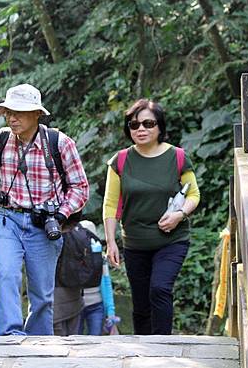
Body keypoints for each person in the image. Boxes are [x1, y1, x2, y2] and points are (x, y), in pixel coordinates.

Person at [0, 83, 89, 335]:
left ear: (37, 114)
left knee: (42, 296)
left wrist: (59, 215)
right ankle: (10, 337)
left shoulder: (60, 143)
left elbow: (80, 187)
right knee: (7, 275)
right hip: (8, 220)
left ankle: (37, 346)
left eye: (19, 112)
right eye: (8, 112)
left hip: (45, 226)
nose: (12, 118)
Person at [102, 99, 200, 335]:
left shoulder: (177, 156)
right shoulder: (121, 161)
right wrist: (111, 241)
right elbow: (111, 204)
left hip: (171, 240)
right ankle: (144, 352)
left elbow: (193, 194)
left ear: (159, 127)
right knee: (141, 303)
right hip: (135, 243)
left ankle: (164, 348)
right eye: (134, 125)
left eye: (148, 123)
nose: (141, 129)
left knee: (159, 288)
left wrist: (179, 214)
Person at [76, 220, 118, 336]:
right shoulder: (74, 256)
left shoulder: (99, 258)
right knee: (82, 339)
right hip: (79, 306)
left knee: (89, 340)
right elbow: (107, 285)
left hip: (94, 306)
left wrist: (111, 313)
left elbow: (106, 284)